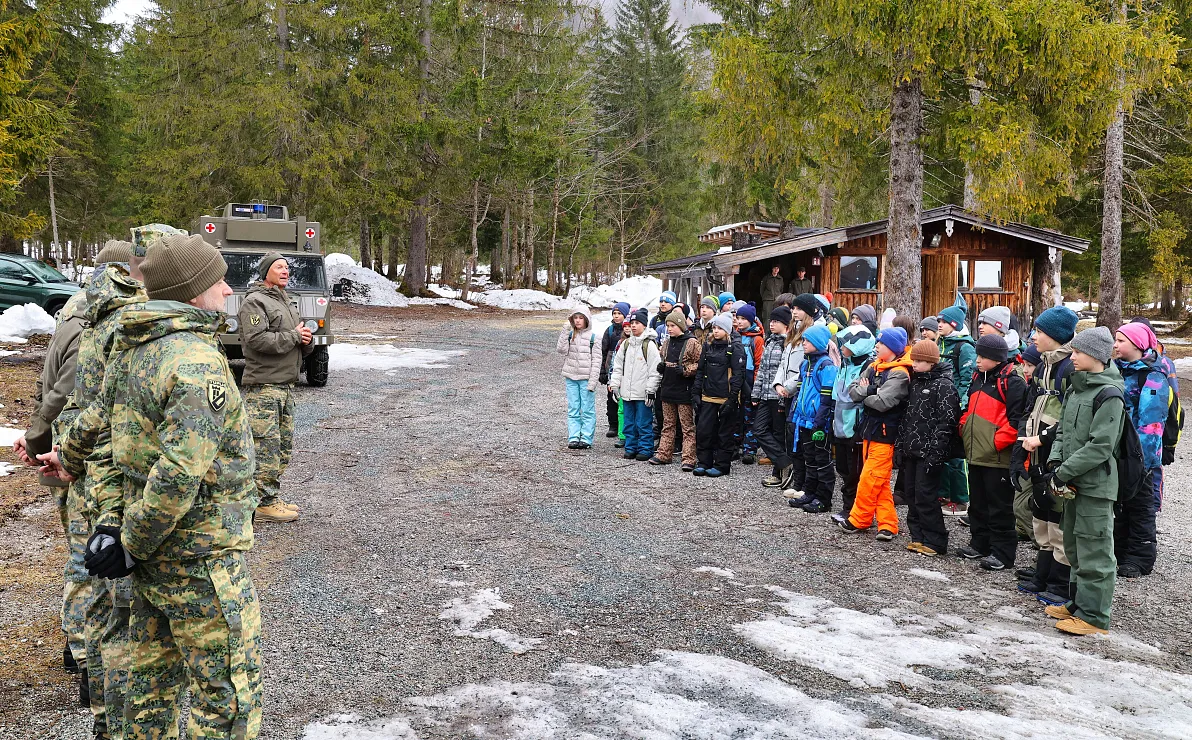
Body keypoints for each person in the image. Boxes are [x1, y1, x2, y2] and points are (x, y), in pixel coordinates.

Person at [43, 233, 264, 738]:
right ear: (192, 292)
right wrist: (131, 540)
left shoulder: (131, 347)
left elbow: (105, 438)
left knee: (144, 695)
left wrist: (114, 525)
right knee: (227, 697)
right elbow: (179, 472)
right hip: (199, 558)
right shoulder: (194, 361)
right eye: (218, 280)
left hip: (145, 562)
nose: (228, 290)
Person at [13, 240, 134, 712]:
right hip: (75, 454)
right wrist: (41, 440)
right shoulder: (95, 322)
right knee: (87, 560)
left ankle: (76, 648)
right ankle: (86, 659)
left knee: (78, 552)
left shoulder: (76, 307)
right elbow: (65, 389)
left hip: (65, 449)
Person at [1044, 326, 1125, 636]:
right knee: (1075, 546)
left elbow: (1101, 446)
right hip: (1072, 484)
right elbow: (1063, 430)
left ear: (1095, 355)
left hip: (1095, 486)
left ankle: (1094, 617)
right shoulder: (1076, 388)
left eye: (1077, 351)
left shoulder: (1109, 394)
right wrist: (1055, 462)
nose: (1072, 356)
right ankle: (1078, 604)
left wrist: (1064, 471)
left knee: (1095, 550)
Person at [237, 252, 313, 523]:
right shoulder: (254, 302)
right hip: (264, 387)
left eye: (287, 267)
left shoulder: (286, 302)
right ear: (266, 271)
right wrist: (294, 336)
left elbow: (297, 338)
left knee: (281, 449)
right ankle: (261, 503)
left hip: (285, 386)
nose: (285, 271)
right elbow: (257, 340)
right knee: (264, 449)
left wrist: (306, 340)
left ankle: (270, 497)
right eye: (279, 267)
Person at [1013, 306, 1078, 605]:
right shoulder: (1042, 366)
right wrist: (1020, 448)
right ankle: (1044, 570)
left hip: (1055, 452)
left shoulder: (1069, 368)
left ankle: (1060, 580)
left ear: (1055, 335)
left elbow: (1071, 418)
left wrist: (1042, 439)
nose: (1034, 336)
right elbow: (1030, 407)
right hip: (1035, 449)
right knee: (1041, 510)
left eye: (1039, 332)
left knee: (1058, 513)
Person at [957, 333, 1027, 571]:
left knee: (999, 507)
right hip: (977, 453)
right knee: (977, 503)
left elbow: (1017, 420)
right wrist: (965, 429)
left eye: (983, 356)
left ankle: (1003, 553)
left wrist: (995, 442)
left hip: (997, 457)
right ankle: (980, 544)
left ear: (997, 358)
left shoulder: (1013, 381)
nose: (977, 360)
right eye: (978, 355)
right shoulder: (979, 377)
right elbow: (969, 409)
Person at [839, 327, 911, 541]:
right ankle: (888, 524)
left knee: (871, 479)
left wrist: (867, 392)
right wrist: (870, 392)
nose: (877, 346)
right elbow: (852, 392)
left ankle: (858, 519)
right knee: (878, 481)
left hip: (886, 434)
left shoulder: (900, 373)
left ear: (892, 348)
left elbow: (882, 402)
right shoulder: (873, 366)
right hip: (870, 431)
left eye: (881, 343)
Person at [1112, 322, 1167, 578]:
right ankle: (1120, 551)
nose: (1115, 345)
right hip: (1119, 452)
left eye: (1121, 341)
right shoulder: (1116, 372)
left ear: (1137, 345)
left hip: (1142, 457)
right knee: (1120, 503)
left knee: (1141, 507)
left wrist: (1142, 461)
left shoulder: (1152, 376)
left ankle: (1140, 557)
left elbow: (1152, 424)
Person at [897, 339, 961, 556]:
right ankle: (918, 536)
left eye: (919, 360)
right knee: (912, 494)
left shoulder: (944, 386)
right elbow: (906, 418)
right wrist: (901, 446)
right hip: (911, 450)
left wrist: (937, 452)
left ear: (931, 362)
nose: (914, 364)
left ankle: (936, 540)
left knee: (926, 495)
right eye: (913, 359)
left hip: (929, 453)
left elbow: (947, 422)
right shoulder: (915, 383)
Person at [786, 325, 837, 513]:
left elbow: (826, 400)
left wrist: (819, 424)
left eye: (807, 340)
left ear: (816, 343)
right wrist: (793, 417)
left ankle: (824, 498)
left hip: (818, 423)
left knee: (822, 460)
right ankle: (810, 492)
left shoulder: (827, 366)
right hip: (803, 420)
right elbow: (799, 393)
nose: (803, 343)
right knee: (809, 458)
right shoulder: (805, 364)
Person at [830, 325, 876, 525]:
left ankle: (854, 510)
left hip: (857, 428)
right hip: (840, 425)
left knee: (855, 472)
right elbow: (837, 394)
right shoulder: (845, 364)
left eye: (847, 344)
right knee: (843, 468)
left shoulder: (869, 366)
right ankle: (850, 508)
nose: (842, 347)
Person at [692, 313, 745, 477]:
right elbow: (701, 370)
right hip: (708, 395)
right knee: (704, 430)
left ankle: (722, 465)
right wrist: (696, 392)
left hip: (725, 396)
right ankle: (703, 462)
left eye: (719, 328)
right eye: (714, 328)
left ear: (727, 330)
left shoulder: (735, 348)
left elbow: (739, 374)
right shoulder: (707, 346)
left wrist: (732, 398)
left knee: (725, 433)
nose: (715, 331)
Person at [936, 304, 977, 517]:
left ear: (954, 324)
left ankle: (961, 499)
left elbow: (967, 379)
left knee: (956, 456)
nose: (939, 325)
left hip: (955, 407)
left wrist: (958, 404)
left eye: (943, 322)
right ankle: (943, 495)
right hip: (940, 406)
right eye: (939, 321)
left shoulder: (964, 347)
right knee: (941, 452)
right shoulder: (940, 344)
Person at [650, 310, 701, 470]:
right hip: (668, 389)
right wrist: (662, 367)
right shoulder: (666, 343)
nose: (669, 329)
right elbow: (663, 360)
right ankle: (664, 454)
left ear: (680, 325)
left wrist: (686, 369)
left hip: (684, 391)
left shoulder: (692, 342)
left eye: (672, 325)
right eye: (668, 326)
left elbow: (700, 364)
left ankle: (689, 458)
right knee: (668, 424)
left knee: (687, 427)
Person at [610, 309, 661, 461]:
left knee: (643, 422)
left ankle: (645, 448)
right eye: (631, 323)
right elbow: (617, 367)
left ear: (644, 325)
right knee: (628, 422)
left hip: (642, 393)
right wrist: (615, 385)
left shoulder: (649, 345)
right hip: (627, 393)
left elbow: (655, 370)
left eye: (637, 323)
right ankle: (630, 447)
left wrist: (651, 390)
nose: (633, 326)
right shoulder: (626, 345)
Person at [754, 306, 794, 487]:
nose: (772, 323)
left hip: (779, 396)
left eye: (776, 321)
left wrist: (782, 394)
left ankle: (778, 474)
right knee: (759, 429)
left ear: (786, 324)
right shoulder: (769, 342)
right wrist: (756, 392)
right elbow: (762, 370)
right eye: (771, 320)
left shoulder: (789, 344)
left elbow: (786, 373)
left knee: (779, 435)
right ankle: (786, 462)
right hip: (765, 395)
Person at [556, 305, 600, 450]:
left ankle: (586, 438)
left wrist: (593, 382)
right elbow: (561, 350)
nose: (578, 321)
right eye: (575, 317)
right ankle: (574, 436)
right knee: (573, 408)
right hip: (571, 377)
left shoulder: (594, 338)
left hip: (586, 378)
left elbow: (597, 361)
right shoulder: (570, 335)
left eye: (581, 318)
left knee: (587, 409)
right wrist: (564, 331)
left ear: (587, 319)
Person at [734, 305, 765, 463]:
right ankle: (735, 446)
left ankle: (749, 449)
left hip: (749, 382)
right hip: (735, 381)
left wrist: (755, 387)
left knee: (750, 417)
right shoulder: (734, 336)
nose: (739, 322)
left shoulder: (757, 339)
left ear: (751, 320)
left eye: (743, 319)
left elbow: (759, 364)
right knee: (735, 416)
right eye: (738, 318)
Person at [599, 302, 630, 438]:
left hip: (626, 371)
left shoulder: (629, 331)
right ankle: (613, 424)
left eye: (619, 314)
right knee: (611, 399)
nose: (616, 316)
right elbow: (603, 352)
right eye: (614, 314)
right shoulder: (610, 331)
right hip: (611, 368)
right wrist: (603, 371)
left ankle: (625, 426)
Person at [759, 265, 784, 330]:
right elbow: (762, 289)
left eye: (777, 268)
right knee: (767, 317)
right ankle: (766, 333)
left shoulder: (780, 279)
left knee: (777, 316)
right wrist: (765, 297)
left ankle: (776, 331)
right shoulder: (766, 278)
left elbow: (781, 289)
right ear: (772, 269)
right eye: (774, 268)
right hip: (768, 300)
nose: (776, 270)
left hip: (777, 300)